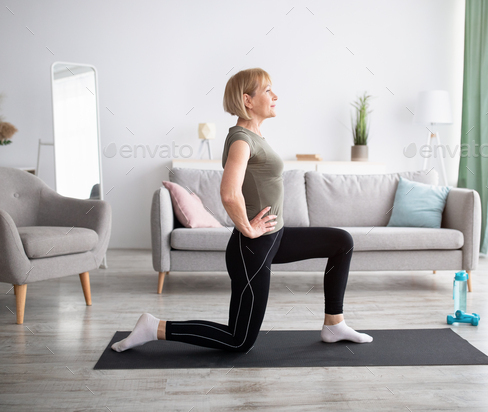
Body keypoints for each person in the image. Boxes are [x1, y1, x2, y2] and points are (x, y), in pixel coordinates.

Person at [111, 68, 372, 353]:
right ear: (248, 100)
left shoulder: (254, 136)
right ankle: (155, 327)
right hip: (252, 249)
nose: (275, 96)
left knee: (341, 242)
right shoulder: (241, 140)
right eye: (268, 91)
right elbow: (228, 191)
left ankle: (334, 324)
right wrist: (248, 228)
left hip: (276, 238)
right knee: (239, 339)